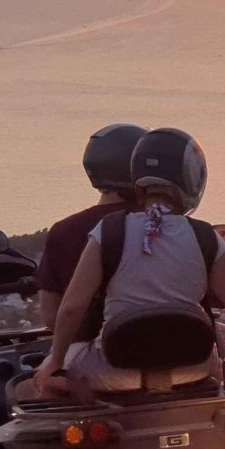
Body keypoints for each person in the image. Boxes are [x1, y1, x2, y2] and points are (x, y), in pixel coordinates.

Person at [34, 127, 225, 394]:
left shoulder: (108, 231)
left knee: (46, 383)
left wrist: (57, 360)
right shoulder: (205, 236)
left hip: (112, 371)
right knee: (222, 382)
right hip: (193, 368)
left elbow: (71, 308)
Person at [35, 123, 147, 334]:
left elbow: (53, 318)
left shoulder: (66, 231)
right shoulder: (171, 224)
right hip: (173, 351)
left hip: (93, 354)